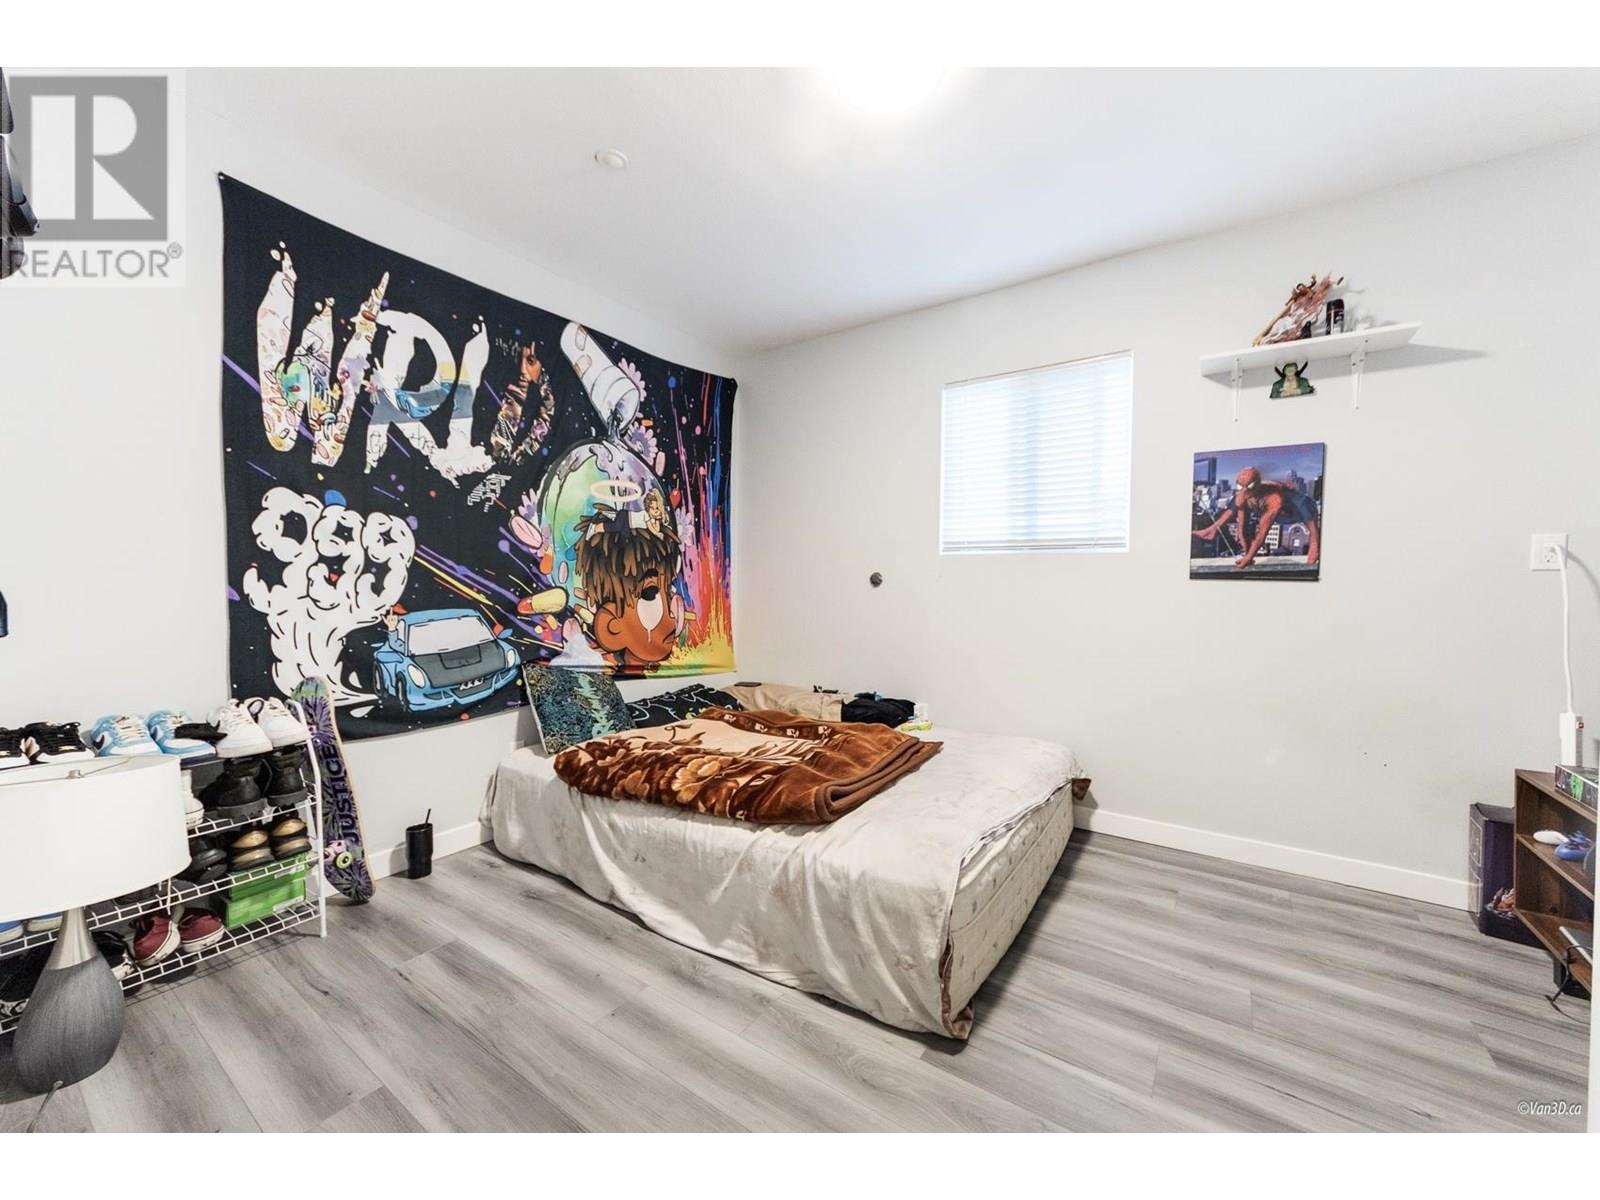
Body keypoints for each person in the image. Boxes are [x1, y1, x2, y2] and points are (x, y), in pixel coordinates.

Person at [1192, 467, 1320, 569]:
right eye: (1240, 487)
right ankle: (1213, 529)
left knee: (1307, 514)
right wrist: (1247, 554)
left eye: (1248, 487)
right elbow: (1242, 528)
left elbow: (1262, 531)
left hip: (1294, 511)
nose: (1243, 491)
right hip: (1263, 506)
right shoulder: (1242, 495)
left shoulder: (1275, 499)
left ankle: (1315, 544)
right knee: (1237, 502)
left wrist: (1250, 556)